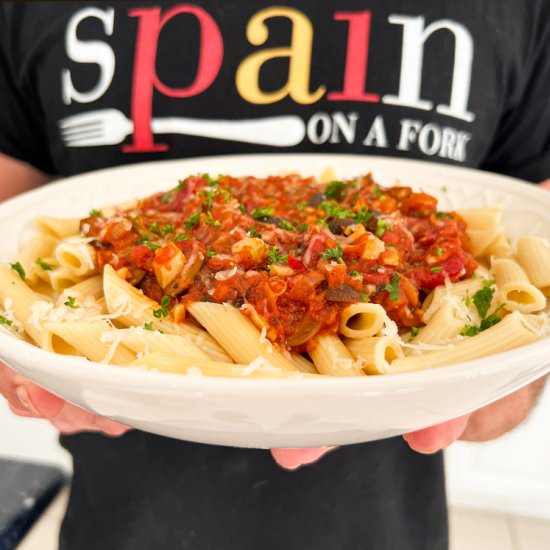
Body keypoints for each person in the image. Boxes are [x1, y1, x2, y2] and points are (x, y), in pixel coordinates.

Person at [0, 2, 549, 549]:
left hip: (386, 521)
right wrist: (23, 366)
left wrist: (497, 388)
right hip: (120, 519)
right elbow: (16, 242)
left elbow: (533, 247)